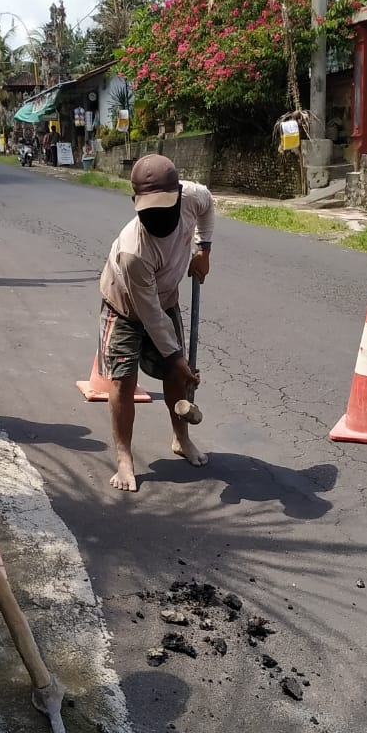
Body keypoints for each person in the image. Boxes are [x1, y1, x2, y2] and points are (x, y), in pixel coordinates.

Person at [97, 154, 214, 492]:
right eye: (150, 209)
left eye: (166, 205)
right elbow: (149, 316)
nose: (159, 215)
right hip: (124, 305)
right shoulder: (134, 251)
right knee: (123, 379)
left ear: (178, 194)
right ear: (136, 204)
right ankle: (124, 459)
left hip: (165, 297)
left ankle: (181, 438)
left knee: (173, 375)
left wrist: (204, 249)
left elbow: (209, 208)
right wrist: (180, 360)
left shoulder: (193, 197)